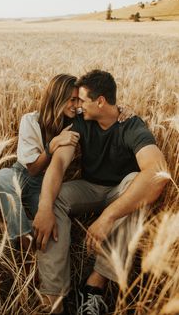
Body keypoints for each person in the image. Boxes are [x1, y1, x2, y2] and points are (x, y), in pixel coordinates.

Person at [32, 70, 168, 315]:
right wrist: (43, 206)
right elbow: (59, 164)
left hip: (121, 191)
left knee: (138, 185)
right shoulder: (81, 122)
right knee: (55, 197)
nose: (78, 106)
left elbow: (157, 173)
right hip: (90, 188)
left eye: (82, 100)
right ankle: (52, 298)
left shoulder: (132, 125)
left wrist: (108, 216)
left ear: (101, 101)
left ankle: (95, 284)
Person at [0, 74, 81, 243]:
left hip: (46, 184)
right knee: (2, 177)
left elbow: (103, 111)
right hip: (22, 174)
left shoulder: (77, 121)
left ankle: (4, 225)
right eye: (72, 100)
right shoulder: (30, 120)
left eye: (78, 100)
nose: (76, 105)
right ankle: (24, 241)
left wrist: (122, 111)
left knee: (53, 230)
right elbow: (33, 169)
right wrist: (52, 145)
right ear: (58, 98)